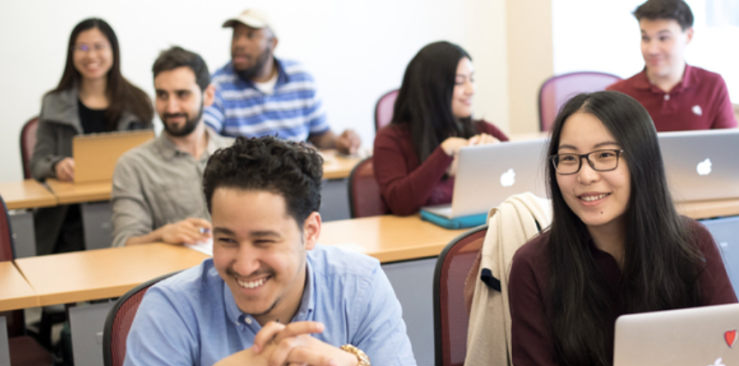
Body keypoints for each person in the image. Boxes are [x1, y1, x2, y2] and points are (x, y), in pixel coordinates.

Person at [110, 137, 428, 366]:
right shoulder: (171, 306)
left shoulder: (359, 285)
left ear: (310, 232)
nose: (244, 265)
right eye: (226, 240)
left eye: (264, 241)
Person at [508, 91, 737, 366]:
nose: (585, 176)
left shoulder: (692, 243)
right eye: (569, 159)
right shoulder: (533, 263)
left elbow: (732, 348)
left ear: (641, 161)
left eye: (604, 156)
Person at [31, 18, 153, 254]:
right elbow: (38, 162)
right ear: (72, 53)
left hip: (131, 213)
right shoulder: (54, 102)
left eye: (99, 46)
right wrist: (57, 166)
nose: (91, 55)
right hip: (69, 217)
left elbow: (153, 160)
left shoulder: (138, 101)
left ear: (113, 51)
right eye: (82, 48)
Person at [111, 47, 234, 247]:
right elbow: (124, 244)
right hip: (176, 275)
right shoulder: (133, 165)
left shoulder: (238, 155)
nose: (171, 108)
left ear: (208, 96)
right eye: (162, 95)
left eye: (182, 95)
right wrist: (162, 234)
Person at [373, 41, 509, 215]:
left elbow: (530, 182)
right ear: (432, 88)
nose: (471, 89)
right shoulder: (390, 139)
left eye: (472, 79)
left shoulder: (484, 130)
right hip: (418, 238)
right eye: (459, 82)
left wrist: (500, 156)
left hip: (474, 236)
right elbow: (400, 203)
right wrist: (444, 152)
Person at [204, 9, 360, 154]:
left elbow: (320, 135)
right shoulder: (219, 84)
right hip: (247, 180)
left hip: (299, 178)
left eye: (251, 36)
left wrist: (340, 142)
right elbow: (204, 139)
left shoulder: (301, 78)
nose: (239, 44)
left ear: (273, 44)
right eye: (236, 36)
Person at [605, 0, 737, 132]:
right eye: (645, 38)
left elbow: (731, 147)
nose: (652, 50)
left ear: (689, 35)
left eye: (663, 38)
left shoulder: (712, 85)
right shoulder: (618, 95)